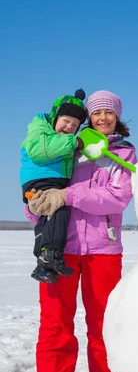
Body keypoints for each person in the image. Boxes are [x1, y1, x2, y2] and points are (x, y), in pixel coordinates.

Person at [25, 90, 137, 372]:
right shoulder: (69, 148)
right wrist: (37, 206)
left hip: (104, 247)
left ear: (117, 118)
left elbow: (117, 197)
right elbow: (45, 183)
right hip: (59, 247)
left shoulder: (122, 153)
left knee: (104, 320)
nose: (103, 119)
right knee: (55, 321)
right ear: (89, 117)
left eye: (109, 114)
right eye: (97, 113)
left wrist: (68, 195)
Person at [20, 89, 87, 284]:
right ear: (55, 116)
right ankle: (51, 253)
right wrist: (74, 141)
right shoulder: (40, 129)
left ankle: (43, 265)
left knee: (48, 217)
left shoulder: (63, 140)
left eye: (75, 125)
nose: (69, 127)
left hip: (51, 181)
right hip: (40, 180)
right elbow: (40, 150)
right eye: (66, 121)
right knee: (60, 208)